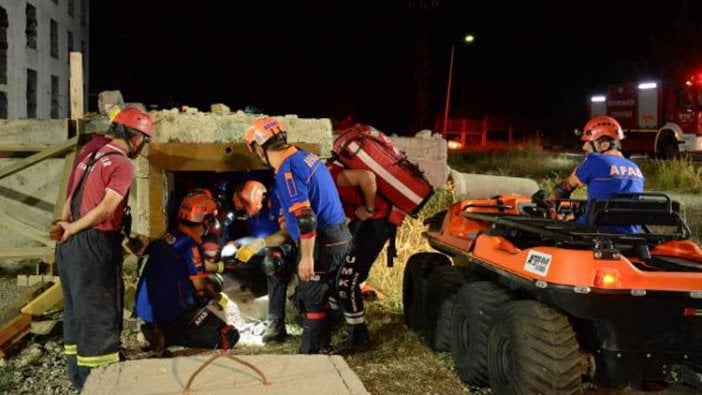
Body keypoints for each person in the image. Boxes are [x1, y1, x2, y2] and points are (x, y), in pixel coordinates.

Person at [50, 107, 153, 390]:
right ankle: (101, 383)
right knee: (100, 314)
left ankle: (79, 377)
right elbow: (106, 208)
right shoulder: (121, 164)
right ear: (136, 138)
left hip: (70, 245)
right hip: (92, 244)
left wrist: (65, 224)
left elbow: (71, 194)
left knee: (76, 310)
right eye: (144, 140)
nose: (142, 146)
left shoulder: (91, 151)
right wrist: (77, 227)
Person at [245, 116, 352, 354]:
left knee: (311, 294)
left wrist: (306, 258)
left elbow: (305, 219)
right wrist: (260, 243)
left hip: (324, 240)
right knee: (313, 293)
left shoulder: (287, 170)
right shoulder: (303, 156)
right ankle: (322, 342)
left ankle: (313, 352)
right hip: (337, 237)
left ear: (257, 147)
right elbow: (295, 223)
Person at [134, 189, 240, 354]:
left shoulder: (170, 236)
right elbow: (200, 289)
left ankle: (159, 328)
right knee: (228, 335)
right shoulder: (191, 246)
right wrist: (215, 296)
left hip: (145, 307)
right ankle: (168, 336)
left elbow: (189, 263)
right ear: (206, 221)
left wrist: (221, 266)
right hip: (169, 310)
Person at [327, 160, 402, 351]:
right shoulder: (325, 176)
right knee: (337, 273)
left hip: (375, 223)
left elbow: (367, 177)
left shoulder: (332, 175)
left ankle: (359, 339)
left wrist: (369, 208)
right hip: (366, 223)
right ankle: (333, 322)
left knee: (347, 280)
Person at [539, 115, 645, 233]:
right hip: (630, 232)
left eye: (589, 143)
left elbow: (564, 188)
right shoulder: (635, 168)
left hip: (595, 231)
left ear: (604, 145)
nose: (584, 147)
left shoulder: (595, 161)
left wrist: (548, 203)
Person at [231, 180, 296, 343]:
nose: (246, 213)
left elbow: (286, 235)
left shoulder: (279, 198)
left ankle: (276, 322)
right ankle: (272, 320)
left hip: (296, 246)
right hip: (268, 247)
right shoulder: (252, 216)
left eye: (246, 208)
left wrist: (259, 243)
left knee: (272, 261)